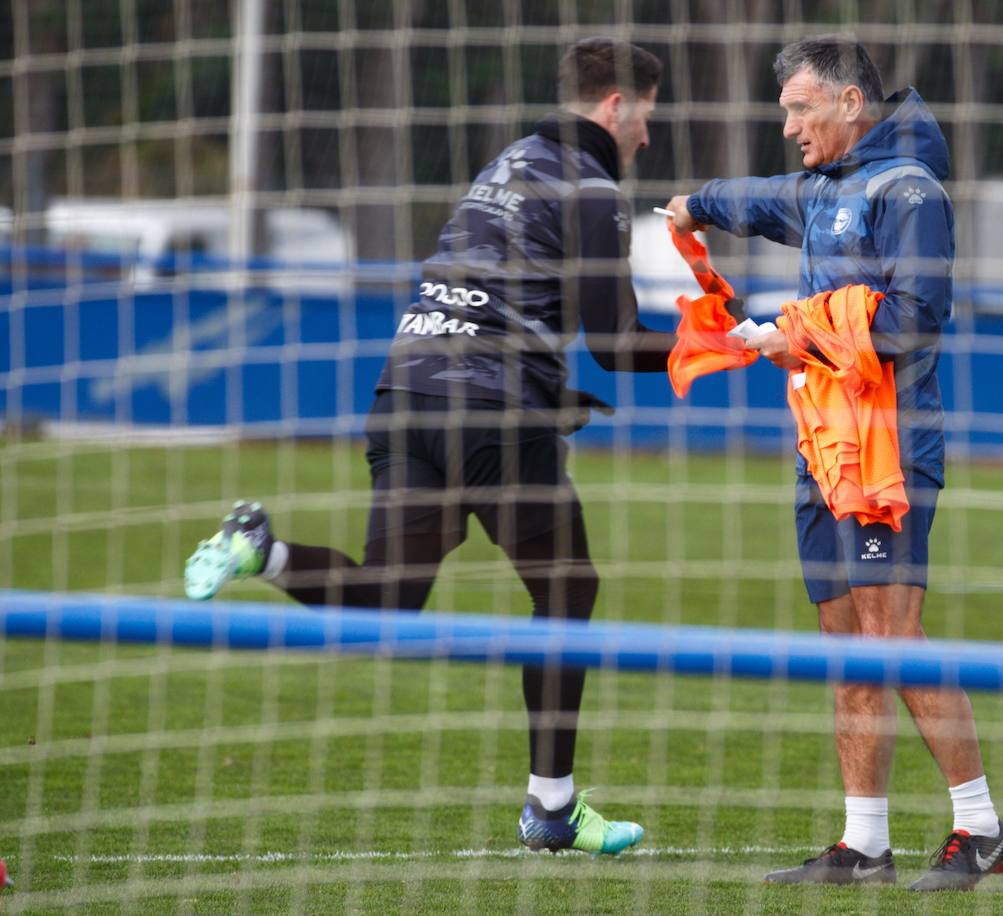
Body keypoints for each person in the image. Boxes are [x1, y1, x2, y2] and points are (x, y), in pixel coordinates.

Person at [184, 38, 676, 856]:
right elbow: (620, 345)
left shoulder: (508, 163)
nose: (647, 139)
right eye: (648, 118)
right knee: (569, 591)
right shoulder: (594, 187)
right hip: (490, 411)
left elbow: (486, 287)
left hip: (407, 395)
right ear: (616, 106)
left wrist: (548, 391)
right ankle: (551, 809)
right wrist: (739, 339)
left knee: (389, 597)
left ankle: (261, 549)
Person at [665, 36, 1003, 891]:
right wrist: (692, 205)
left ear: (851, 104)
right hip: (823, 447)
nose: (788, 125)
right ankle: (864, 846)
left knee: (891, 638)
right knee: (843, 641)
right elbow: (754, 201)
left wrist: (796, 334)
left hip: (891, 451)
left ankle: (982, 829)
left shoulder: (908, 192)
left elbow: (912, 318)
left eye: (799, 107)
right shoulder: (823, 190)